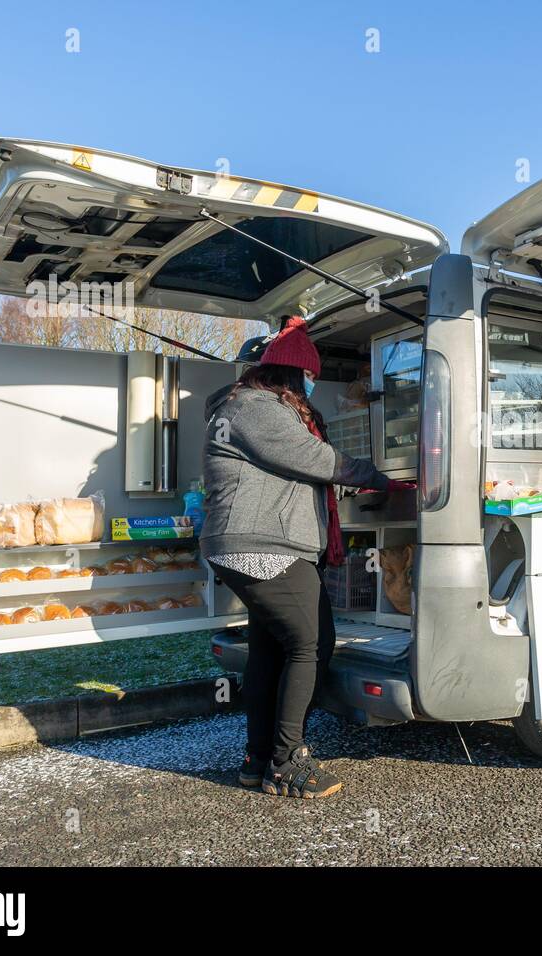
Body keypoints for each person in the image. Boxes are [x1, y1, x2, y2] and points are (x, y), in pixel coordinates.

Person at [201, 316, 411, 797]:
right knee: (310, 644)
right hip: (262, 546)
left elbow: (303, 472)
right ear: (291, 375)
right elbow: (320, 461)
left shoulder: (245, 407)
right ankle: (287, 761)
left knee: (272, 647)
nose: (311, 387)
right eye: (308, 378)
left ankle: (258, 761)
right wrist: (386, 477)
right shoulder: (255, 408)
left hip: (254, 543)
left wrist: (361, 481)